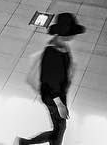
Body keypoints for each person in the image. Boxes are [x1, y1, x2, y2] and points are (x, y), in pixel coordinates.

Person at [19, 13, 85, 145]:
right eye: (72, 32)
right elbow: (49, 80)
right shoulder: (53, 53)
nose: (74, 35)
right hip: (53, 97)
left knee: (59, 129)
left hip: (56, 95)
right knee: (59, 129)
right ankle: (25, 143)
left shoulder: (60, 45)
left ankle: (24, 143)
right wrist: (60, 104)